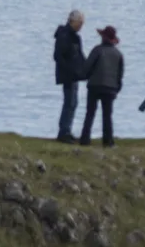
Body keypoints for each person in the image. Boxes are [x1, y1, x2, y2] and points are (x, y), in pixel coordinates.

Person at [79, 25, 125, 147]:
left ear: (103, 37)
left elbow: (87, 67)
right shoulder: (118, 54)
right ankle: (108, 141)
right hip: (110, 88)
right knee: (107, 115)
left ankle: (85, 139)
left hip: (95, 85)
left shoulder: (97, 50)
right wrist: (116, 88)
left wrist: (86, 76)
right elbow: (120, 75)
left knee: (90, 113)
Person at [52, 10, 87, 143]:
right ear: (73, 21)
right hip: (68, 75)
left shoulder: (75, 37)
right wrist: (69, 69)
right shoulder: (65, 35)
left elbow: (80, 55)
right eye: (80, 23)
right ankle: (64, 131)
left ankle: (67, 129)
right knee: (70, 102)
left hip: (75, 74)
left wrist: (86, 68)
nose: (81, 26)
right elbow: (58, 56)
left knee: (73, 102)